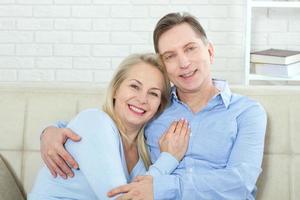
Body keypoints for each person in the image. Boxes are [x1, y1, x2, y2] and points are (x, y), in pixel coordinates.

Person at [40, 12, 267, 200]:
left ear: (210, 51)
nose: (184, 63)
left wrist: (161, 187)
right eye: (170, 56)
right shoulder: (154, 108)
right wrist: (50, 132)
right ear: (164, 67)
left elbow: (240, 182)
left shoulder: (247, 112)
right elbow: (107, 125)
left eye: (190, 49)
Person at [28, 53, 191, 200]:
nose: (142, 99)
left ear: (159, 106)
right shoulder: (95, 122)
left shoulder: (144, 155)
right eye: (134, 86)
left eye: (153, 93)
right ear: (115, 90)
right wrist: (169, 159)